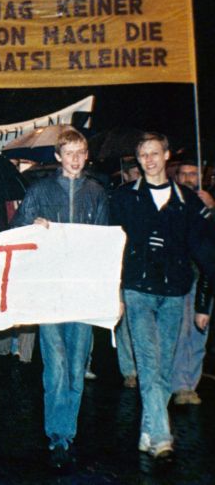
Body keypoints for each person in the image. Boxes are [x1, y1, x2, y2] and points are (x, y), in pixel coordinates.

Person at [110, 133, 215, 459]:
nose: (150, 160)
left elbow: (208, 255)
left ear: (166, 155)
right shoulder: (125, 197)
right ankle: (162, 436)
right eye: (143, 154)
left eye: (155, 153)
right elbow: (111, 247)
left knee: (164, 367)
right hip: (138, 291)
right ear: (138, 159)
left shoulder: (187, 200)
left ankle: (147, 430)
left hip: (174, 294)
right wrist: (114, 292)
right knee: (148, 363)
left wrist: (201, 304)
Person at [11, 128, 109, 469]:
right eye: (69, 153)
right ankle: (59, 436)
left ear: (86, 155)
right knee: (55, 365)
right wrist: (30, 224)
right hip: (49, 291)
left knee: (76, 367)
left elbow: (103, 245)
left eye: (81, 152)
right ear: (58, 156)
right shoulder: (39, 190)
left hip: (81, 292)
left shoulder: (97, 192)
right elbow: (15, 231)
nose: (75, 159)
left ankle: (68, 428)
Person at [169, 161, 214, 406]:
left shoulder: (207, 201)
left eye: (193, 173)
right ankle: (181, 385)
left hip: (206, 274)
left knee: (199, 331)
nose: (188, 178)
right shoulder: (174, 200)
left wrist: (212, 208)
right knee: (182, 331)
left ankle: (190, 382)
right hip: (182, 274)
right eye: (184, 173)